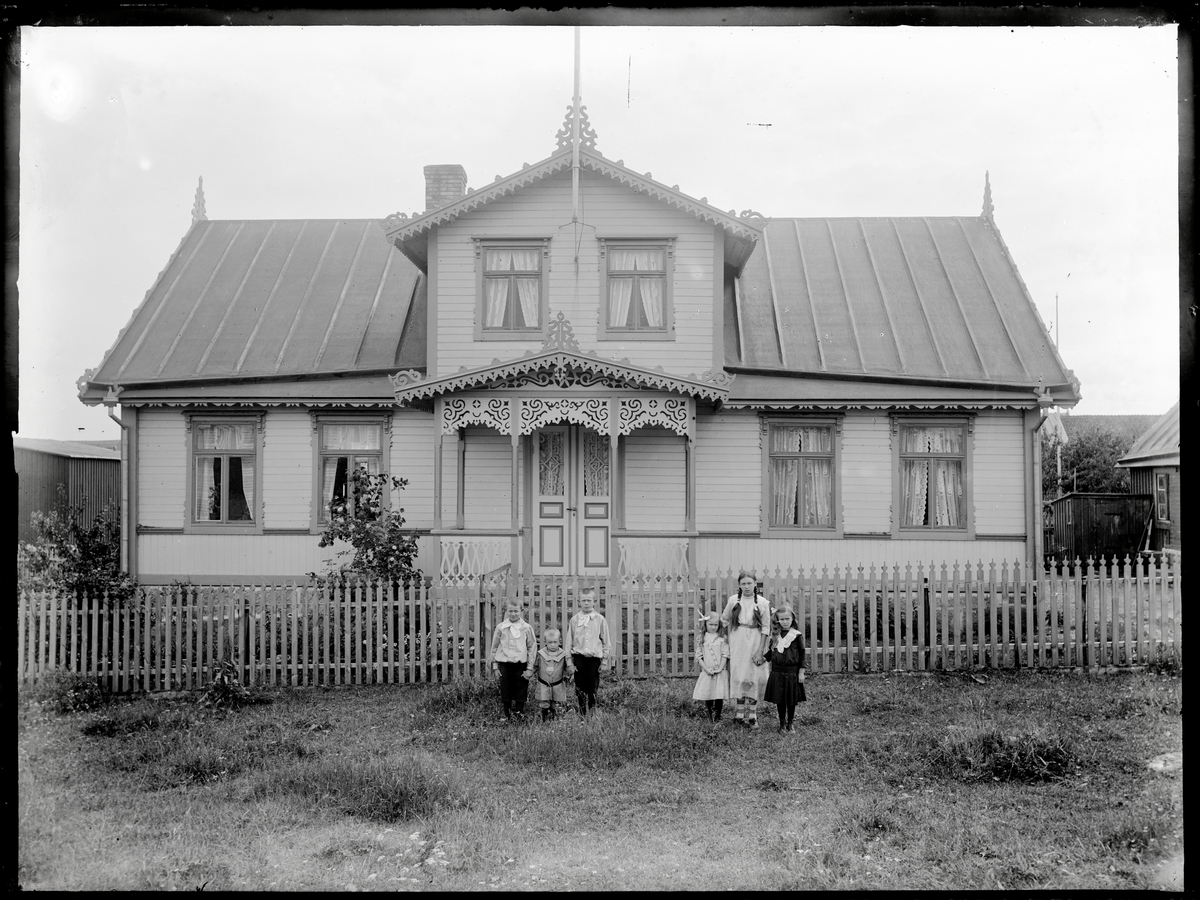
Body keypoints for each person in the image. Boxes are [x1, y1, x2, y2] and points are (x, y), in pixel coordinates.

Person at [720, 570, 772, 728]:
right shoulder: (733, 600)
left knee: (753, 676)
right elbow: (724, 619)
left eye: (750, 583)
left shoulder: (762, 603)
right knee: (740, 675)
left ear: (755, 584)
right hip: (738, 641)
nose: (747, 587)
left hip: (756, 641)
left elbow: (766, 628)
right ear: (739, 585)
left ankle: (753, 716)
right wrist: (721, 634)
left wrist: (760, 650)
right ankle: (740, 714)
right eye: (743, 584)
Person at [564, 588, 611, 717]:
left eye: (589, 600)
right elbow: (569, 642)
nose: (586, 603)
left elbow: (606, 641)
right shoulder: (574, 620)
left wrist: (604, 661)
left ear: (594, 601)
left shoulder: (600, 619)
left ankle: (591, 712)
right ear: (578, 602)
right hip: (579, 658)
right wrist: (569, 662)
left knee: (592, 687)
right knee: (579, 687)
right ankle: (582, 712)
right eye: (583, 600)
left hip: (594, 659)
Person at [763, 603, 807, 733]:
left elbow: (802, 654)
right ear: (777, 620)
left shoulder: (796, 635)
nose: (785, 622)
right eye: (782, 619)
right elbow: (771, 652)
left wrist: (801, 672)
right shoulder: (775, 635)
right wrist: (762, 659)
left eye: (787, 619)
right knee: (780, 699)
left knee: (791, 700)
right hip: (777, 671)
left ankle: (790, 723)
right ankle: (782, 724)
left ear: (792, 619)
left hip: (792, 672)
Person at [489, 600, 536, 722]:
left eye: (516, 611)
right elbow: (494, 647)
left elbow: (531, 648)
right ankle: (507, 714)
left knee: (521, 689)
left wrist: (530, 668)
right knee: (506, 688)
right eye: (510, 611)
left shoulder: (526, 628)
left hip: (521, 665)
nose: (513, 614)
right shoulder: (501, 627)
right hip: (504, 665)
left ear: (521, 611)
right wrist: (495, 666)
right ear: (506, 611)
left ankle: (519, 714)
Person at [692, 610, 730, 721]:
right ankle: (710, 716)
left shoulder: (722, 638)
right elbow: (699, 656)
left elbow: (725, 655)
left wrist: (720, 668)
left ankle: (717, 716)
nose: (713, 627)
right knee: (708, 694)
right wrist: (706, 669)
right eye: (711, 624)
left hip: (720, 672)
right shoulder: (701, 638)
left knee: (718, 695)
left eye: (715, 625)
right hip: (707, 671)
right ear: (705, 624)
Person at [533, 627, 570, 721]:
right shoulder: (540, 654)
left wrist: (570, 673)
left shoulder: (563, 654)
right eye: (550, 642)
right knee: (544, 701)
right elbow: (535, 666)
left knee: (555, 702)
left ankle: (554, 718)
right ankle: (544, 717)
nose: (552, 645)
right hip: (543, 683)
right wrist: (530, 672)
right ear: (545, 642)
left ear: (560, 641)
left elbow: (567, 667)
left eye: (555, 642)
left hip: (557, 683)